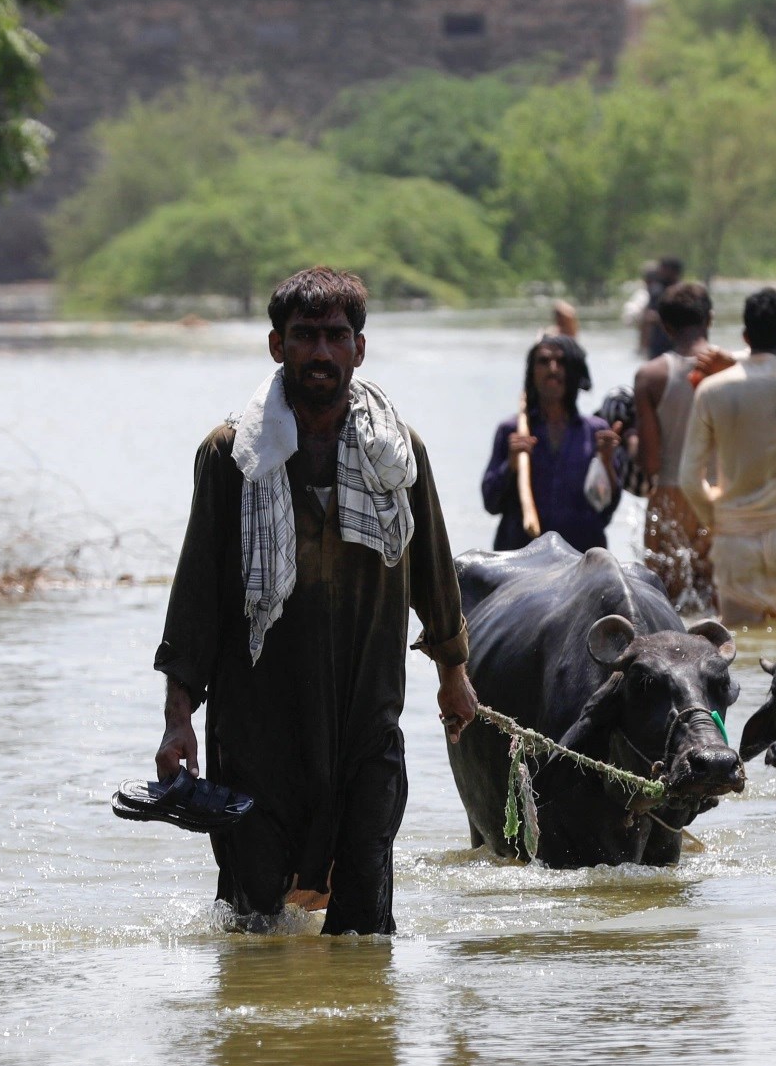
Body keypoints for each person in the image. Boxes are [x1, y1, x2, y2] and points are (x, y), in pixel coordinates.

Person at [152, 267, 478, 936]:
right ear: (277, 346)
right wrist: (177, 719)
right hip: (258, 728)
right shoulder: (232, 456)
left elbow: (434, 574)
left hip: (366, 721)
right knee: (254, 923)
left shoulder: (399, 456)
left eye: (336, 336)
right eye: (305, 337)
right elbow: (195, 601)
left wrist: (454, 678)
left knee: (366, 927)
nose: (322, 353)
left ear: (360, 348)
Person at [679, 288, 776, 625]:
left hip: (736, 542)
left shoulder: (711, 390)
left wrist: (717, 522)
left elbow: (690, 478)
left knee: (742, 650)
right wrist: (734, 360)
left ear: (746, 334)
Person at [481, 334, 621, 552]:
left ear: (573, 371)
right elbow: (490, 503)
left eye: (561, 362)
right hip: (521, 558)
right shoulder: (512, 431)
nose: (553, 369)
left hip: (580, 561)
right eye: (544, 362)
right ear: (532, 372)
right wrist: (510, 465)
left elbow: (606, 506)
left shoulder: (596, 432)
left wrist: (607, 463)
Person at [632, 280, 720, 612]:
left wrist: (630, 443)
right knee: (719, 607)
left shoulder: (651, 376)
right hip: (720, 496)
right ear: (709, 319)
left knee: (667, 609)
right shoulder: (732, 370)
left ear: (666, 327)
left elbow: (651, 462)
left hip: (670, 499)